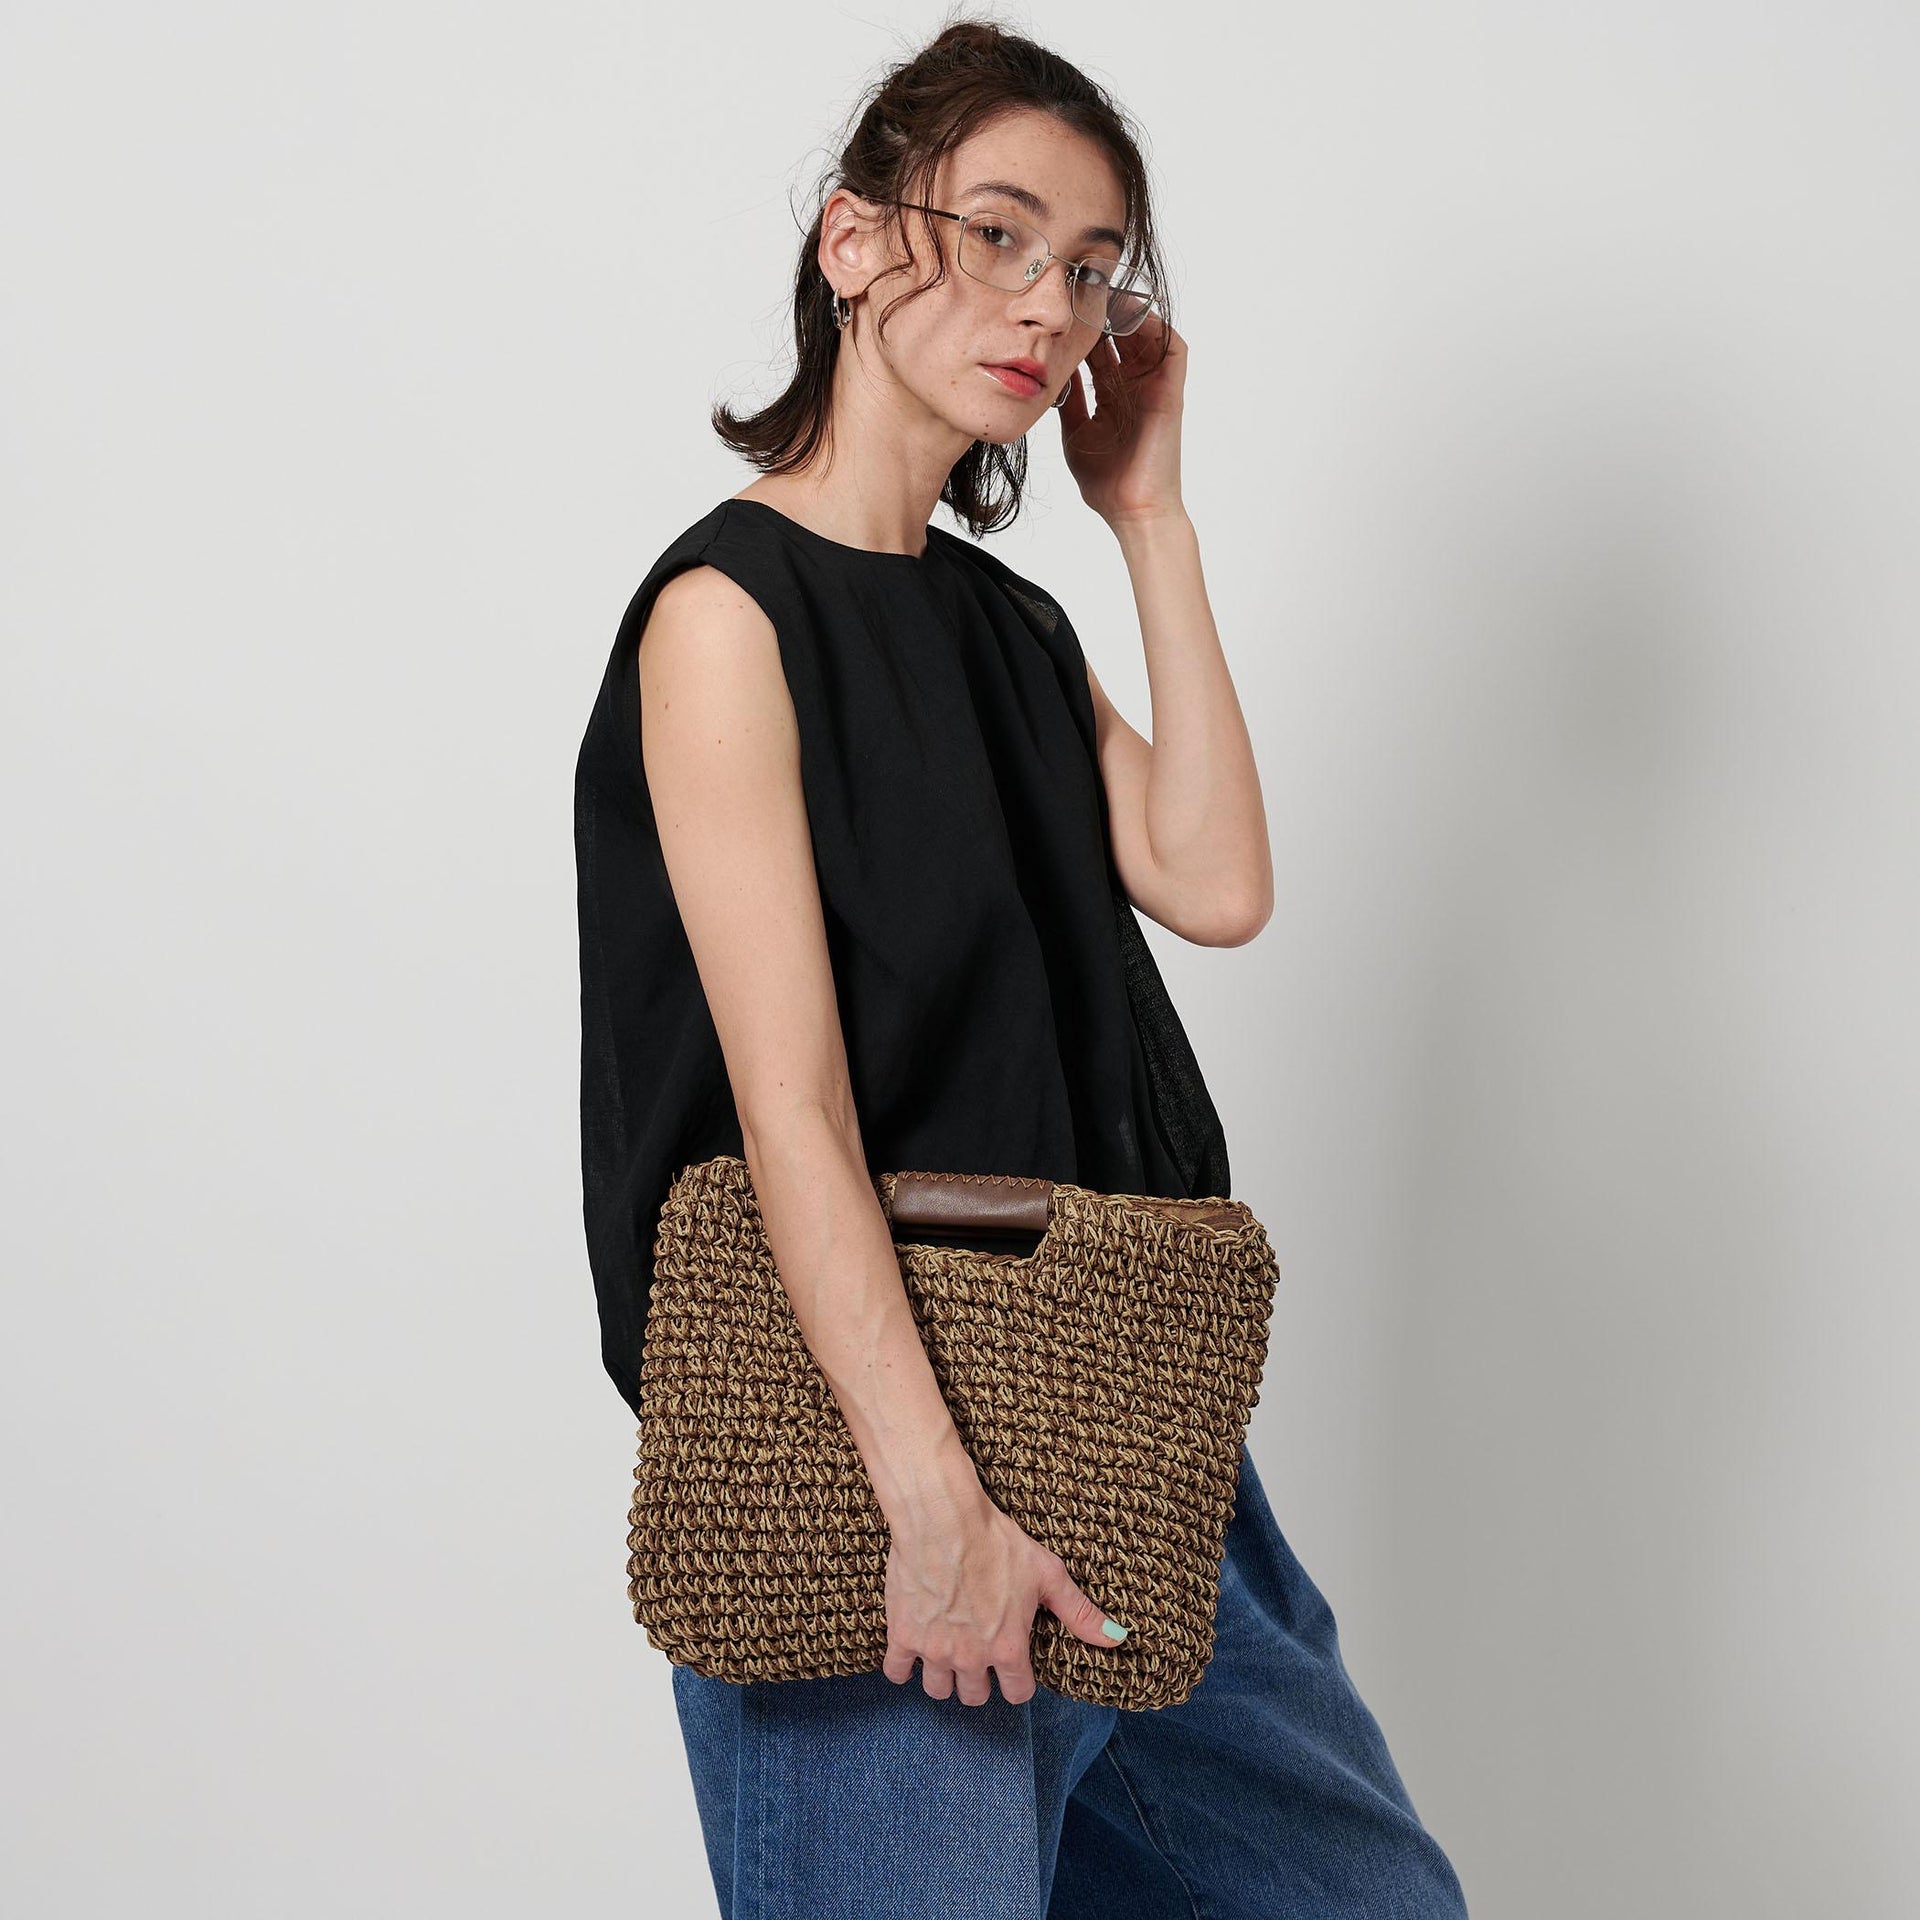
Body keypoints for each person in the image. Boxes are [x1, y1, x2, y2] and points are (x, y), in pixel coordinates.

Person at [573, 16, 1471, 1917]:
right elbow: (791, 1117)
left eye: (1089, 266)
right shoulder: (728, 619)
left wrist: (1148, 516)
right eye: (997, 232)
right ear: (853, 241)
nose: (1050, 304)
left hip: (1124, 1422)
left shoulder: (1006, 627)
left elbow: (1215, 881)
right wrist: (934, 1510)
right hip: (878, 1464)